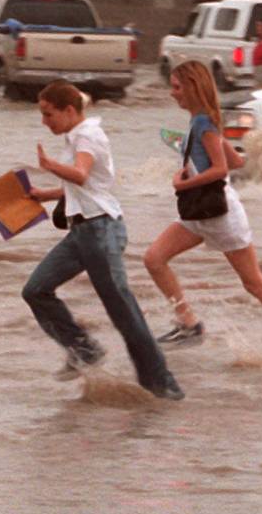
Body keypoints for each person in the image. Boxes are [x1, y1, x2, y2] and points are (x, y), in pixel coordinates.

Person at [23, 79, 184, 400]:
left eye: (48, 114)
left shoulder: (88, 135)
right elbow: (89, 186)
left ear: (69, 110)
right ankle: (84, 349)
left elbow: (81, 174)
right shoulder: (76, 135)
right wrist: (45, 194)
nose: (44, 122)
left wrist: (50, 166)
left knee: (123, 313)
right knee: (36, 290)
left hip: (101, 231)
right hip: (82, 232)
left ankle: (162, 386)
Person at [143, 60, 262, 365]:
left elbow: (220, 170)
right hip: (199, 213)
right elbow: (235, 161)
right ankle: (189, 324)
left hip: (220, 214)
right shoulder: (202, 123)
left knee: (254, 282)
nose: (171, 93)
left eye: (177, 87)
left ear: (194, 86)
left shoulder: (204, 124)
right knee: (154, 259)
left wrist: (183, 182)